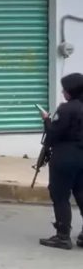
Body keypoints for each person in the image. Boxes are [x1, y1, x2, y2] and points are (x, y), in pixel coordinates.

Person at [39, 73, 83, 250]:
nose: (63, 91)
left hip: (65, 156)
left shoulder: (65, 109)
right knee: (80, 192)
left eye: (65, 88)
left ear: (70, 91)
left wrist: (46, 120)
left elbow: (53, 134)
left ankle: (63, 236)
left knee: (60, 195)